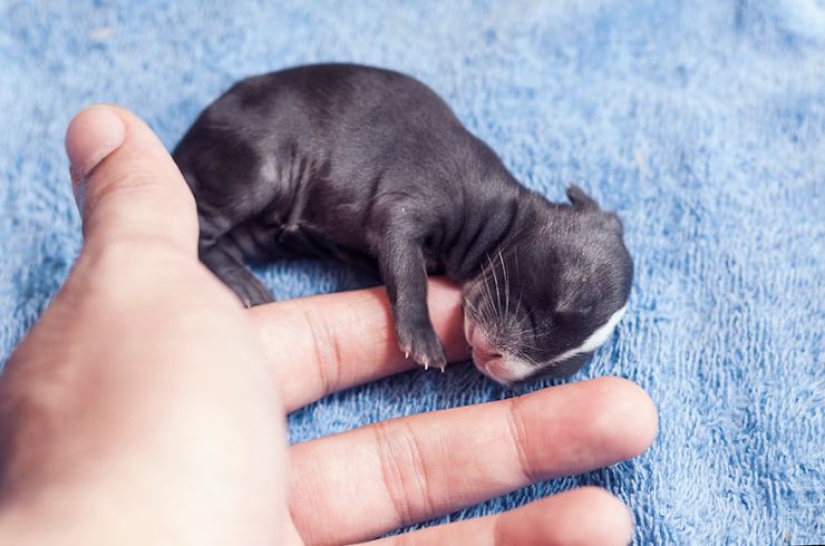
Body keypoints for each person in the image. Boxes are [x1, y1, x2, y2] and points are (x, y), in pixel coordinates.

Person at [0, 105, 657, 545]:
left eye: (543, 364)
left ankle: (218, 253)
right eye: (545, 314)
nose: (505, 359)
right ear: (569, 219)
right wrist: (410, 313)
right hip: (274, 134)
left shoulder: (476, 244)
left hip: (295, 217)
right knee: (254, 180)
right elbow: (395, 216)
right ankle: (199, 235)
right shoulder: (473, 193)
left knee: (271, 235)